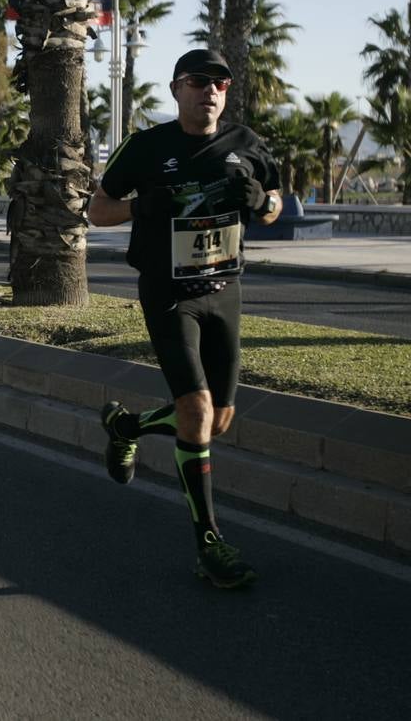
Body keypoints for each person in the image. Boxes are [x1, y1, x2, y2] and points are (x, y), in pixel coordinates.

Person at [87, 48, 282, 590]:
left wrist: (262, 201)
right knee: (195, 411)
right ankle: (209, 544)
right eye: (198, 81)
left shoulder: (245, 143)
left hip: (226, 291)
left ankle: (127, 426)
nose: (210, 91)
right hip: (169, 293)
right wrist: (141, 206)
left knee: (216, 422)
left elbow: (276, 205)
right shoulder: (148, 147)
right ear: (176, 89)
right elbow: (97, 210)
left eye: (220, 82)